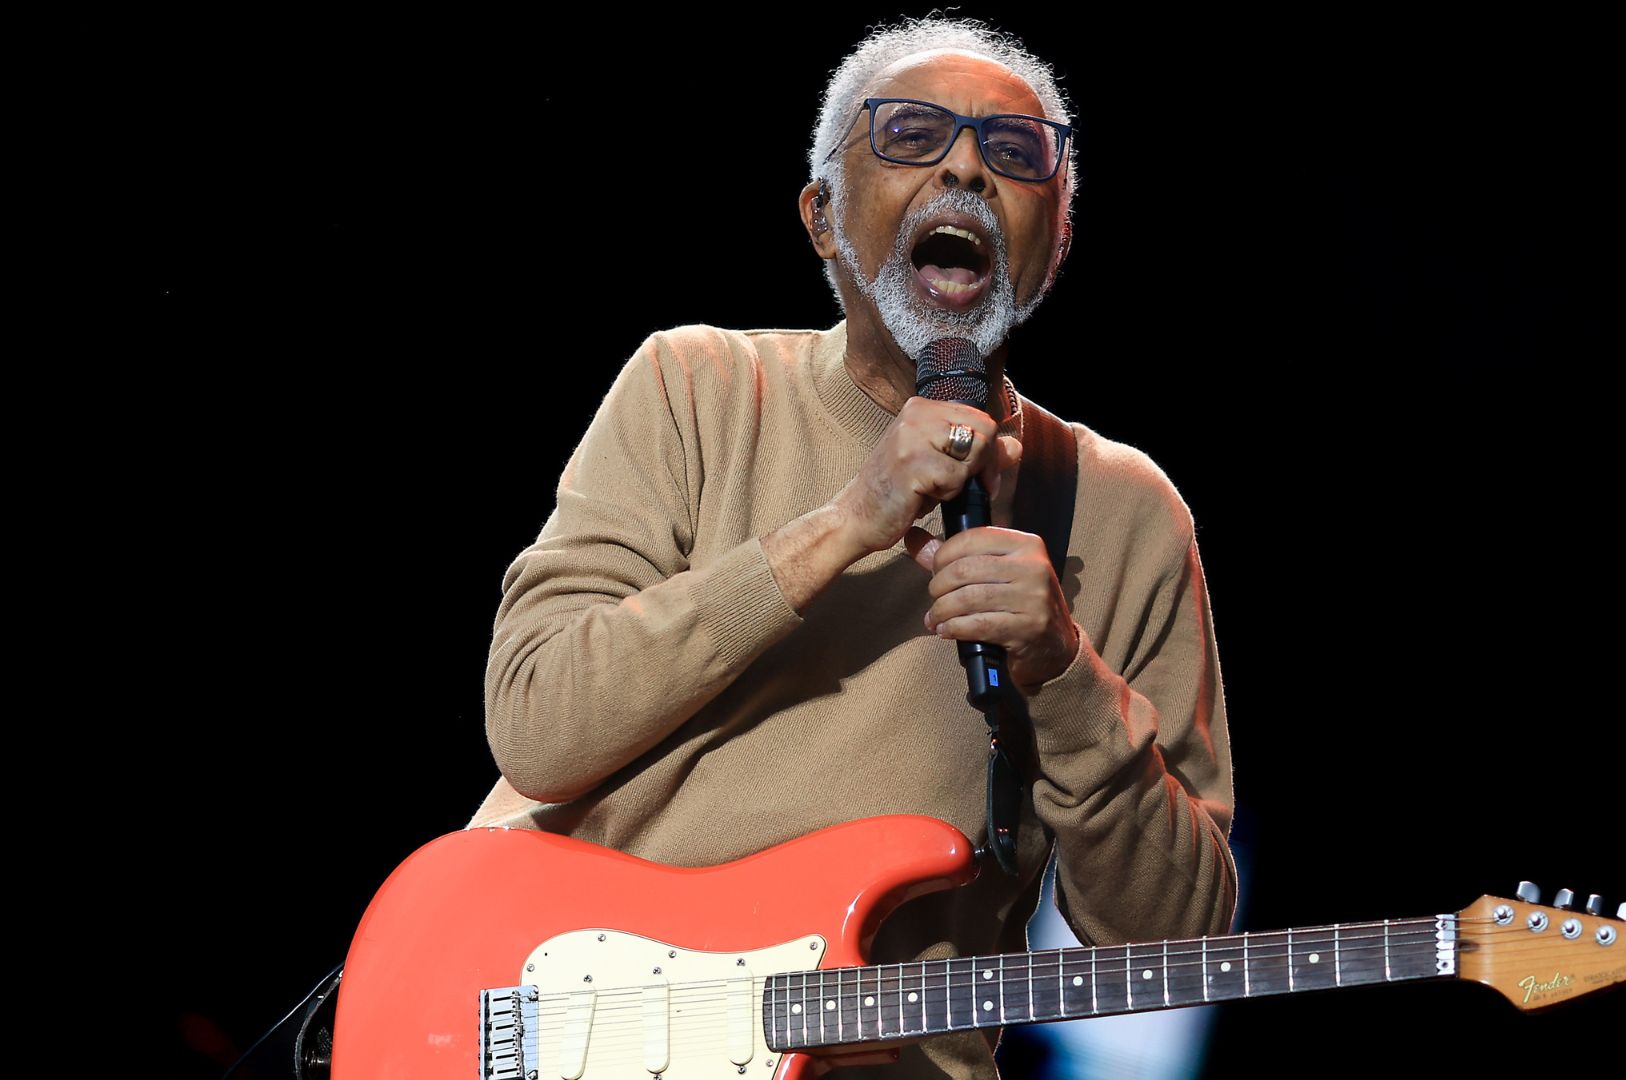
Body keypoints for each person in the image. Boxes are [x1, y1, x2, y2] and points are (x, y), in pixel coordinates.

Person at [466, 16, 1235, 1077]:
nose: (966, 166)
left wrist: (1065, 672)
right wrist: (844, 522)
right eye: (913, 133)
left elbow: (1174, 945)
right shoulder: (693, 388)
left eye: (1015, 152)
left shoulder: (1125, 511)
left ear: (1055, 242)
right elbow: (538, 727)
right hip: (579, 1041)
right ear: (823, 217)